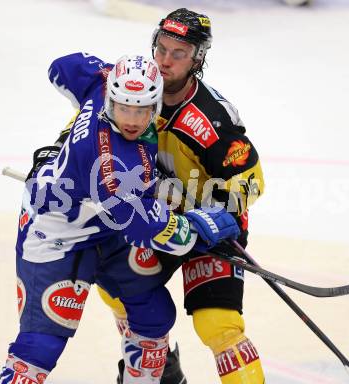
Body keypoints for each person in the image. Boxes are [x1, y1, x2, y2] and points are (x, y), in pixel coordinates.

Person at [0, 52, 241, 384]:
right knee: (42, 345)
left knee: (154, 315)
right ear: (112, 98)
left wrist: (62, 146)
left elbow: (62, 66)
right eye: (124, 107)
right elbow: (155, 231)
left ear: (155, 105)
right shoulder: (116, 167)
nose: (131, 118)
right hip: (57, 236)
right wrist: (200, 227)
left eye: (141, 109)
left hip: (107, 226)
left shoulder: (104, 81)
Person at [98, 8, 266, 384]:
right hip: (161, 221)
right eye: (162, 48)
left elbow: (251, 182)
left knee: (218, 325)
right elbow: (89, 121)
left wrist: (215, 217)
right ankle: (163, 368)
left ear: (198, 59)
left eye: (179, 53)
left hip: (213, 232)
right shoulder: (135, 87)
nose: (165, 60)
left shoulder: (211, 119)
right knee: (116, 289)